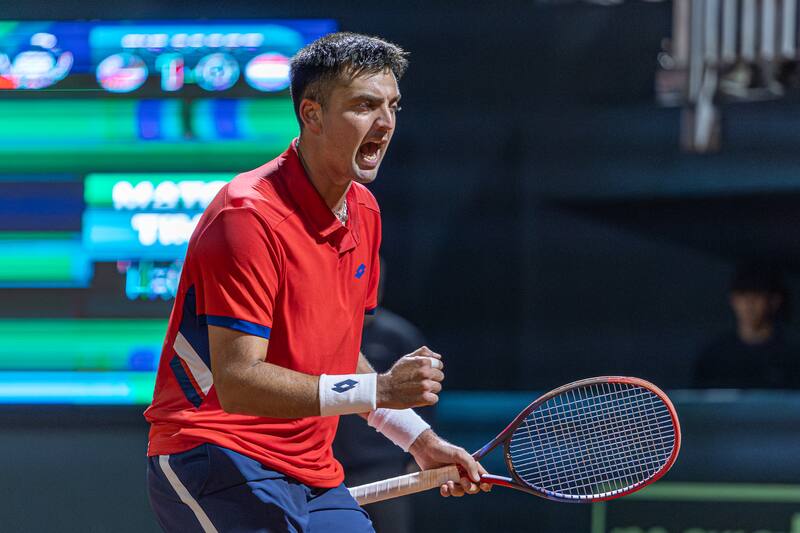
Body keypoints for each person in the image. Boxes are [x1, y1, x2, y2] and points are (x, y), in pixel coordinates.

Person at [144, 32, 489, 533]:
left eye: (392, 105)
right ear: (311, 114)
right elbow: (239, 383)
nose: (385, 123)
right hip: (213, 453)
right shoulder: (248, 215)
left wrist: (418, 439)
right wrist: (384, 387)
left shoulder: (365, 212)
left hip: (311, 470)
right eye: (365, 105)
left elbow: (336, 351)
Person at [333, 260, 435, 533]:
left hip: (384, 468)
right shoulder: (323, 329)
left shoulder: (400, 336)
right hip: (328, 470)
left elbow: (425, 401)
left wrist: (421, 445)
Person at [693, 261, 799, 388]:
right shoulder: (715, 356)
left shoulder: (793, 354)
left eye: (757, 296)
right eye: (743, 295)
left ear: (774, 301)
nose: (749, 304)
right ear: (733, 300)